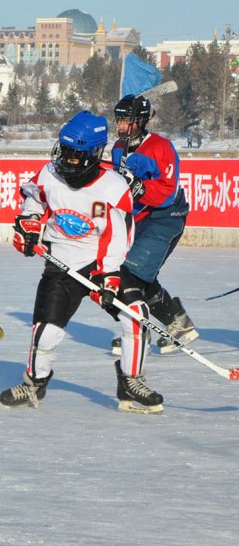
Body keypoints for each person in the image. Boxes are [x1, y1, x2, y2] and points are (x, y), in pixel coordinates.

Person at [0, 110, 164, 414]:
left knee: (136, 314)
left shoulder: (113, 188)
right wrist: (30, 224)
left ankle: (131, 381)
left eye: (76, 154)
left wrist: (110, 275)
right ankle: (34, 383)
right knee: (45, 333)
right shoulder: (49, 173)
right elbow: (32, 198)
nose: (67, 160)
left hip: (100, 265)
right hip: (59, 266)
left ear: (93, 153)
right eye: (65, 152)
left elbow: (118, 236)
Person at [109, 94, 197, 354]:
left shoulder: (160, 147)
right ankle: (177, 323)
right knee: (131, 273)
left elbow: (167, 192)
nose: (121, 125)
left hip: (166, 217)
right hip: (140, 218)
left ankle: (137, 331)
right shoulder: (117, 148)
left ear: (140, 121)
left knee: (133, 272)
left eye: (126, 120)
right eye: (119, 120)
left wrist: (139, 186)